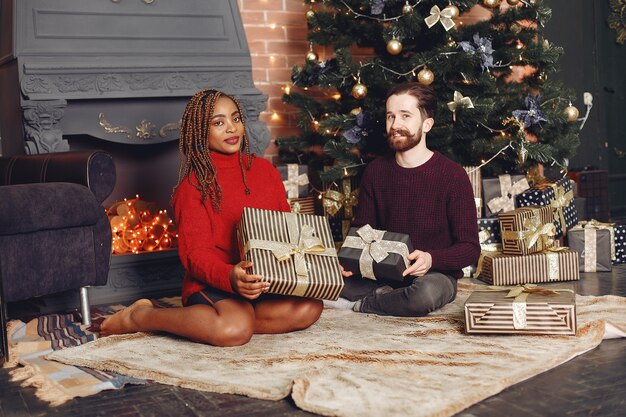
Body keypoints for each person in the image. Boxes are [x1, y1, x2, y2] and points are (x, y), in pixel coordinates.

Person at [100, 89, 323, 346]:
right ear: (200, 132)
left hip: (263, 279)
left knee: (310, 307)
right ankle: (143, 316)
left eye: (235, 119)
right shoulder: (192, 186)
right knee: (233, 332)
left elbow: (287, 230)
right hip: (214, 282)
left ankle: (230, 320)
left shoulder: (265, 171)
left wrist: (317, 262)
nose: (231, 128)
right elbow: (195, 256)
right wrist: (231, 277)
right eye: (218, 123)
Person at [336, 82, 480, 317]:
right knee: (324, 280)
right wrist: (349, 261)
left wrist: (431, 259)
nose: (396, 125)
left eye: (405, 116)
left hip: (433, 275)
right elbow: (362, 231)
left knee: (424, 296)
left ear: (427, 124)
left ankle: (363, 304)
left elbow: (470, 249)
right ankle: (386, 297)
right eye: (391, 116)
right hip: (382, 272)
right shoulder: (376, 171)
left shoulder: (453, 175)